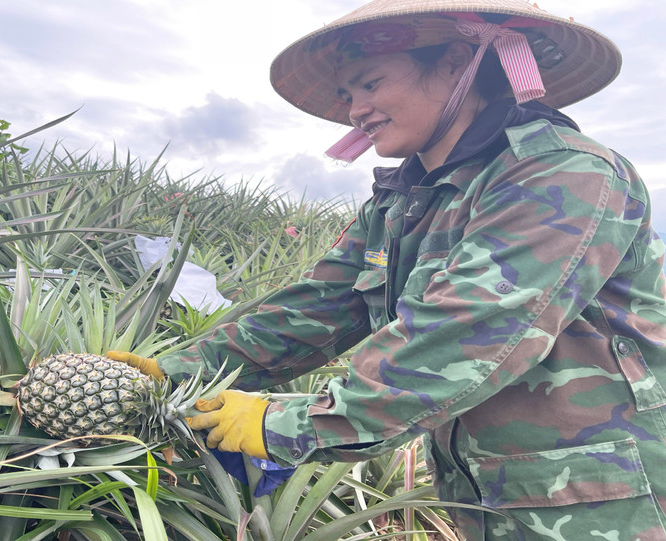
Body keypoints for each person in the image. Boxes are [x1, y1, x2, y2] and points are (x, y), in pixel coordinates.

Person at [110, 0, 666, 537]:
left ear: (457, 63)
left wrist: (286, 423)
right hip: (488, 493)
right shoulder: (399, 203)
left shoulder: (560, 173)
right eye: (348, 94)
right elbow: (315, 308)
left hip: (613, 501)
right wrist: (177, 372)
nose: (355, 110)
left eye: (371, 84)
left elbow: (469, 329)